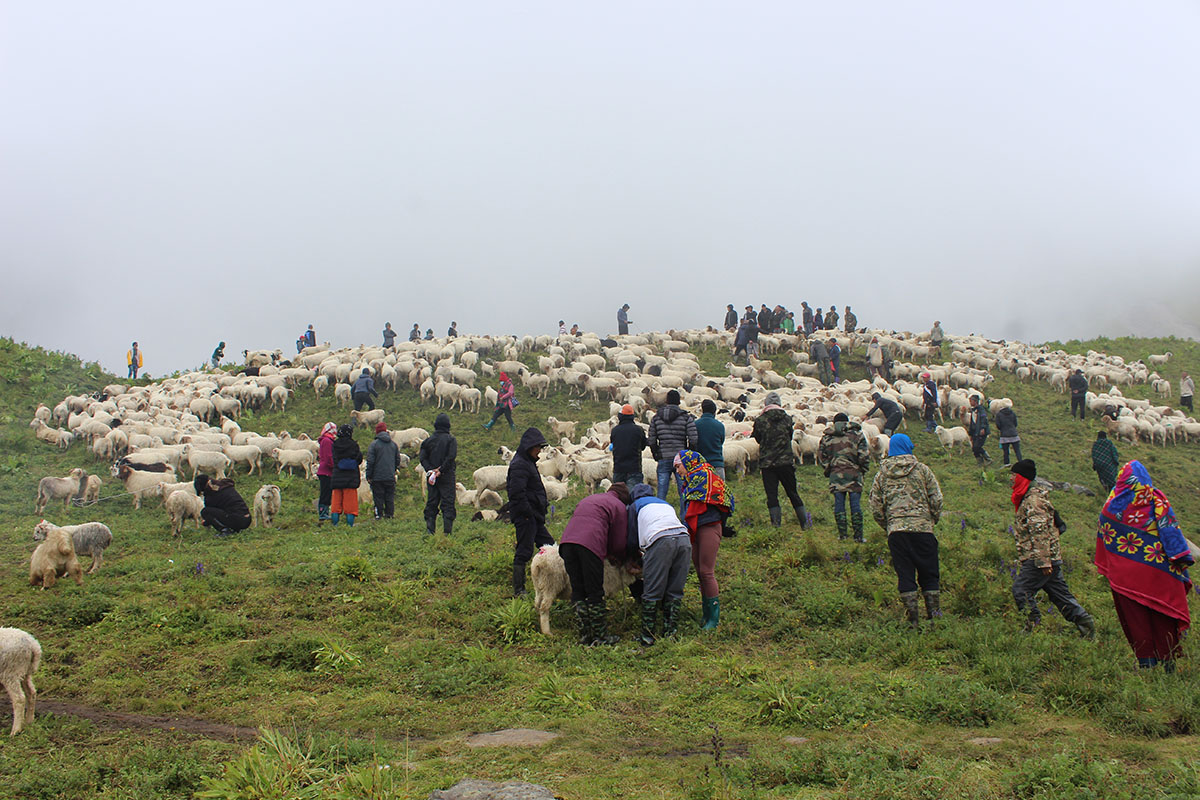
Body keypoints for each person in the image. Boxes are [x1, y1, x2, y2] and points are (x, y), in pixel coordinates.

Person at [1095, 461, 1193, 670]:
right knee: (1164, 616)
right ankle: (1168, 663)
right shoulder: (1157, 500)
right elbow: (1171, 531)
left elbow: (1103, 532)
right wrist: (1181, 559)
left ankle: (1147, 663)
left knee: (1136, 620)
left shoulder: (1111, 505)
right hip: (1159, 573)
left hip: (1125, 575)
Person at [1009, 460, 1094, 637]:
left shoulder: (1033, 500)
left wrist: (1043, 561)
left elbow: (1039, 532)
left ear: (1022, 478)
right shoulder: (1031, 497)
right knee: (1059, 595)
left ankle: (1032, 624)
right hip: (1048, 557)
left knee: (1021, 590)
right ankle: (1085, 623)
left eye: (1013, 475)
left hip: (1039, 558)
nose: (1010, 479)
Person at [870, 434, 943, 628]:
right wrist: (931, 519)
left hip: (897, 532)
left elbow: (875, 505)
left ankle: (913, 621)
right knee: (929, 573)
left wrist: (889, 525)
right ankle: (934, 618)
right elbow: (936, 498)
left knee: (905, 574)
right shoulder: (922, 471)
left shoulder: (882, 474)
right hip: (923, 529)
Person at [561, 483, 630, 646]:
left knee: (578, 590)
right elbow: (619, 542)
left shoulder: (590, 499)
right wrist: (618, 557)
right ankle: (600, 636)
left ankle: (585, 635)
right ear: (623, 498)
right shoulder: (618, 505)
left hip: (567, 543)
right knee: (594, 591)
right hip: (589, 546)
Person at [628, 482, 691, 645]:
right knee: (675, 589)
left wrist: (634, 560)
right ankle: (671, 633)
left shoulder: (635, 506)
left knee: (652, 589)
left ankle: (647, 636)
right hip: (684, 538)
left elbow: (632, 538)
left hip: (660, 541)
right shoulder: (664, 503)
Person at [675, 450, 733, 629]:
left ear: (688, 462)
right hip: (694, 529)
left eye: (678, 466)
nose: (677, 471)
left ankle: (713, 619)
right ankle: (706, 613)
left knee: (707, 572)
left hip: (709, 526)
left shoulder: (707, 476)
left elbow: (725, 499)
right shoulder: (689, 482)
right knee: (700, 572)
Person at [752, 392, 813, 529]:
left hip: (768, 464)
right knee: (792, 492)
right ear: (779, 404)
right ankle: (805, 523)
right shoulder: (787, 419)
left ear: (766, 404)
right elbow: (790, 436)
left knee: (772, 494)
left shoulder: (760, 420)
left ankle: (776, 525)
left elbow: (757, 438)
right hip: (785, 462)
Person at [506, 427, 555, 596]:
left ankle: (552, 582)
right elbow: (516, 493)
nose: (539, 452)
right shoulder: (520, 464)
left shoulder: (527, 462)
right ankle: (519, 589)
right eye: (537, 448)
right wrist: (528, 512)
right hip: (527, 516)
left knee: (549, 547)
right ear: (529, 446)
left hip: (534, 516)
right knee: (524, 551)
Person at [818, 413, 870, 542]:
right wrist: (862, 469)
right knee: (855, 504)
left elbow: (821, 456)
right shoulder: (857, 435)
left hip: (836, 475)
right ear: (847, 422)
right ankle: (858, 536)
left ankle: (843, 535)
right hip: (854, 474)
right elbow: (863, 456)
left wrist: (829, 469)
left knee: (839, 504)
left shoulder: (827, 438)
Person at [648, 390, 698, 514]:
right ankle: (685, 522)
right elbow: (693, 438)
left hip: (663, 456)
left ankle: (659, 519)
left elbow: (652, 439)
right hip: (681, 460)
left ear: (666, 401)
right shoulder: (686, 417)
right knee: (684, 491)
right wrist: (688, 455)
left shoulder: (656, 418)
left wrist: (656, 453)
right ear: (679, 401)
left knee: (661, 491)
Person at [419, 413, 457, 535]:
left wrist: (431, 470)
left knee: (432, 501)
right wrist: (441, 470)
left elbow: (422, 458)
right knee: (448, 502)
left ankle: (430, 531)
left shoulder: (427, 441)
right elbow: (451, 457)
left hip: (432, 477)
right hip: (447, 476)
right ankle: (447, 532)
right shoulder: (451, 440)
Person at [364, 422, 400, 520]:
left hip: (377, 477)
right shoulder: (393, 445)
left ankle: (379, 515)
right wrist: (393, 470)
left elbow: (370, 461)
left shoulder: (374, 445)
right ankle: (390, 515)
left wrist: (369, 475)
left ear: (377, 432)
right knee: (389, 496)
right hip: (390, 476)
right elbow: (397, 460)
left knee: (378, 497)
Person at [329, 424, 362, 526]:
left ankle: (335, 524)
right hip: (350, 478)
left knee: (336, 503)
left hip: (337, 477)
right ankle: (349, 525)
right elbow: (359, 459)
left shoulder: (335, 445)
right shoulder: (354, 445)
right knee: (350, 505)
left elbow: (333, 459)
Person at [610, 404, 647, 485]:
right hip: (634, 468)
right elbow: (643, 446)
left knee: (619, 495)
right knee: (633, 494)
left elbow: (613, 444)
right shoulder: (639, 430)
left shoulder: (615, 431)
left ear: (620, 416)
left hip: (619, 468)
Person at [694, 399, 726, 479]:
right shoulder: (720, 426)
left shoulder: (695, 425)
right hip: (717, 464)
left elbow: (693, 442)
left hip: (700, 466)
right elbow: (721, 441)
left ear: (703, 410)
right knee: (718, 490)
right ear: (714, 411)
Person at [316, 421, 337, 524]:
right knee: (325, 493)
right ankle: (323, 513)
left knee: (326, 492)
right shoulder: (328, 441)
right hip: (326, 471)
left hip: (325, 470)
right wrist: (335, 466)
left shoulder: (326, 440)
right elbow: (329, 457)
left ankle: (324, 512)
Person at [968, 395, 991, 465]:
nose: (970, 402)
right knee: (974, 448)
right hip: (975, 432)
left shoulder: (981, 410)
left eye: (971, 401)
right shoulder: (973, 411)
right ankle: (980, 462)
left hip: (980, 431)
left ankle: (988, 459)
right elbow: (972, 422)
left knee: (977, 446)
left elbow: (984, 419)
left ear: (975, 401)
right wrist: (971, 433)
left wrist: (983, 428)